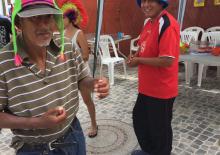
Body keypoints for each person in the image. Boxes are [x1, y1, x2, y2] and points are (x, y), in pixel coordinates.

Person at [0, 0, 109, 155]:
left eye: (48, 16)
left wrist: (94, 84)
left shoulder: (67, 47)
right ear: (19, 23)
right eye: (34, 18)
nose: (44, 25)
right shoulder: (3, 62)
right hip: (32, 149)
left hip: (72, 137)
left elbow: (82, 80)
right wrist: (37, 123)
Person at [127, 0, 180, 155]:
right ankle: (150, 151)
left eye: (151, 1)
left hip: (161, 90)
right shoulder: (149, 23)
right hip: (147, 88)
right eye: (143, 1)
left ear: (161, 3)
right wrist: (135, 57)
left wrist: (139, 60)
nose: (145, 5)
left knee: (160, 130)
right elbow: (143, 48)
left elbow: (167, 60)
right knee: (141, 121)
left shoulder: (167, 24)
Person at [56, 0, 98, 138]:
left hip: (80, 73)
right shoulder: (61, 34)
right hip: (66, 73)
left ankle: (94, 124)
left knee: (87, 100)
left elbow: (85, 55)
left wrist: (71, 60)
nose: (60, 20)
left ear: (71, 18)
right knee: (66, 102)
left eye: (63, 17)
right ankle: (66, 129)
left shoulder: (78, 33)